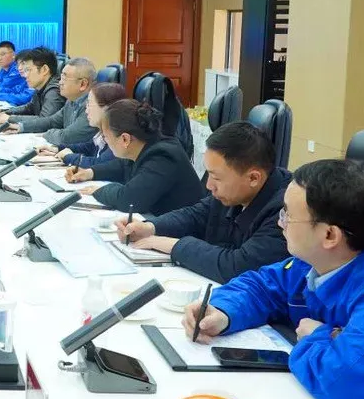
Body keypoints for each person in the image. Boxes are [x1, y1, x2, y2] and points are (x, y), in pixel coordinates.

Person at [183, 159, 364, 399]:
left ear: (330, 236)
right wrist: (223, 312)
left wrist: (315, 336)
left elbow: (348, 383)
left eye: (288, 215)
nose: (280, 223)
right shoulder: (310, 263)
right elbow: (261, 287)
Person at [117, 122, 291, 283]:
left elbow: (238, 267)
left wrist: (172, 245)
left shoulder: (286, 211)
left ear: (253, 178)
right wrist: (150, 227)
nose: (209, 185)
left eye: (216, 178)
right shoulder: (235, 192)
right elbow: (196, 215)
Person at [69, 99, 204, 214]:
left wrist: (98, 191)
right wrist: (90, 172)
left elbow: (128, 200)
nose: (105, 141)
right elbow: (122, 166)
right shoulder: (146, 146)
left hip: (182, 232)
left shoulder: (163, 157)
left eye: (105, 136)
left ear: (125, 139)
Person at [5, 56, 98, 145]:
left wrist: (45, 135)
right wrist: (21, 127)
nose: (60, 83)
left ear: (83, 84)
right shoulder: (72, 100)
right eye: (61, 77)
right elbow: (51, 121)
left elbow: (67, 137)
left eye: (64, 78)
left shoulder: (92, 107)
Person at [38, 82, 126, 168]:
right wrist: (57, 149)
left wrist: (68, 157)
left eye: (89, 104)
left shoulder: (118, 138)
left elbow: (100, 164)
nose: (86, 110)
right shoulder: (102, 135)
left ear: (107, 108)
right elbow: (89, 147)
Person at [0, 47, 64, 125]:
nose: (25, 75)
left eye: (28, 70)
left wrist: (10, 118)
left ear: (44, 70)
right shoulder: (40, 87)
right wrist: (6, 112)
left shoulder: (54, 91)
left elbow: (45, 120)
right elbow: (30, 107)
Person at [0, 41, 34, 106]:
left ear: (13, 55)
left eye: (3, 54)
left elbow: (24, 98)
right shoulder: (4, 70)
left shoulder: (19, 72)